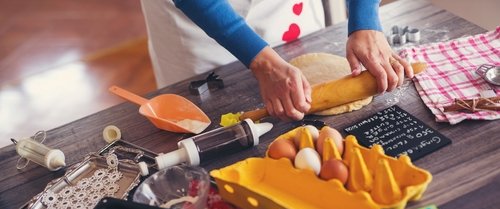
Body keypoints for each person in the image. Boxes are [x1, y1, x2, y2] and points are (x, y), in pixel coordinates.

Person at [140, 0, 413, 121]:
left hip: (285, 11)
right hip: (199, 30)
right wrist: (263, 63)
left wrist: (365, 19)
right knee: (212, 117)